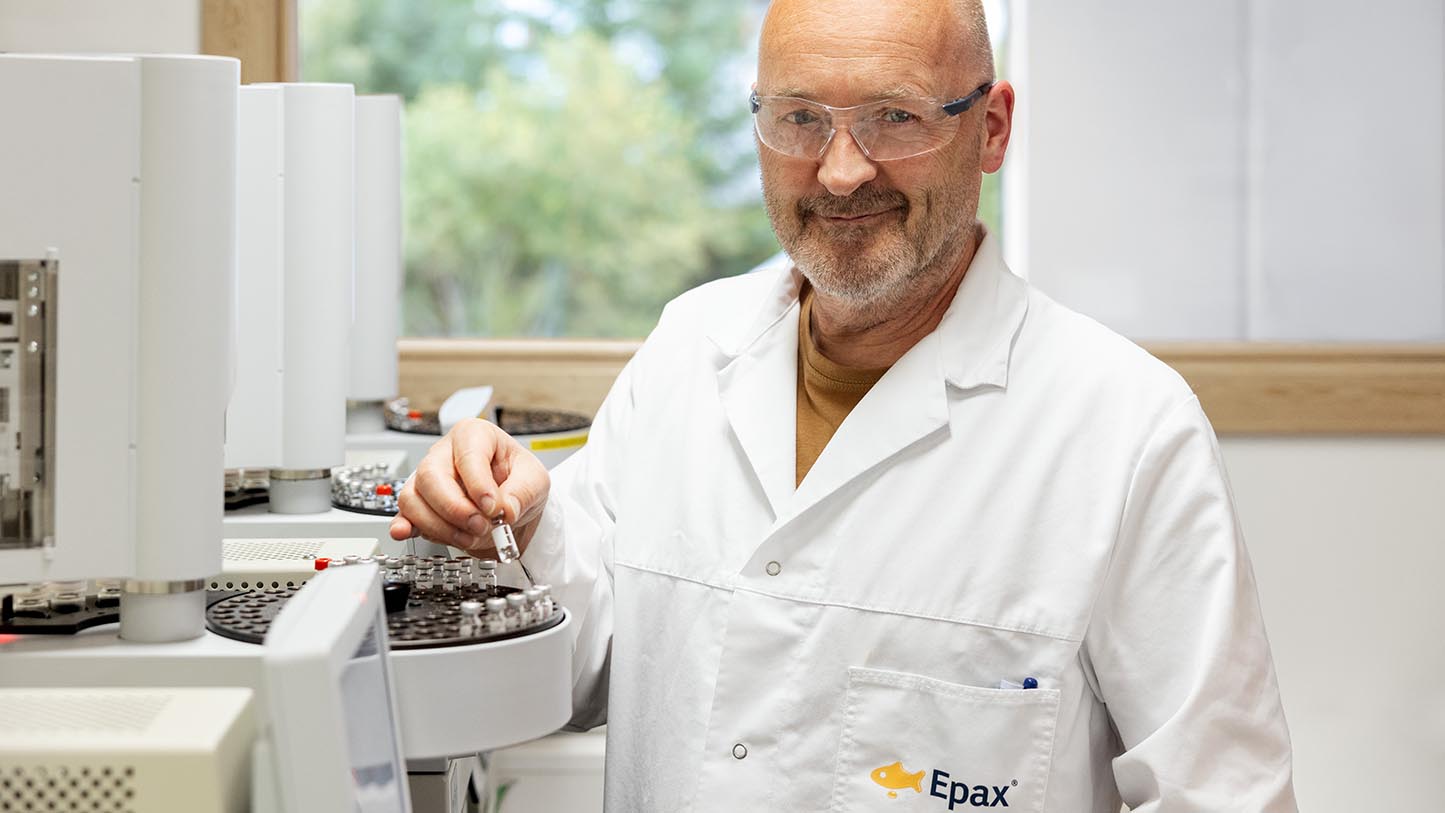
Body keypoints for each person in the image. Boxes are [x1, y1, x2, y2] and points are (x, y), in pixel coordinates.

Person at [392, 0, 1298, 809]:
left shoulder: (1125, 428)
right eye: (798, 118)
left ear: (990, 129)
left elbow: (1223, 792)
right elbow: (588, 665)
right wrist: (521, 525)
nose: (838, 171)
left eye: (893, 117)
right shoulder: (688, 347)